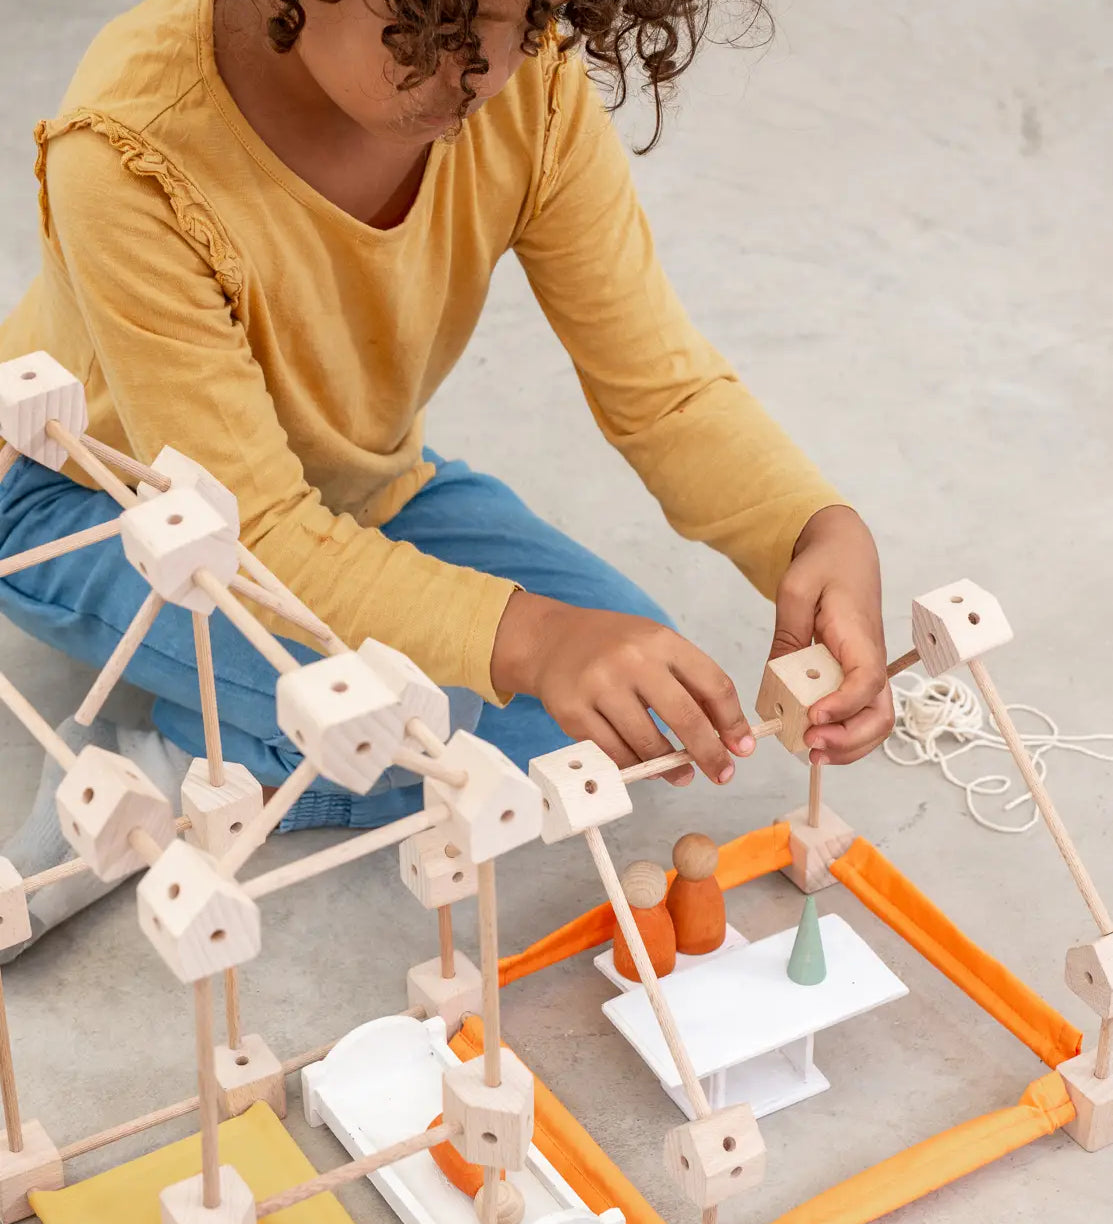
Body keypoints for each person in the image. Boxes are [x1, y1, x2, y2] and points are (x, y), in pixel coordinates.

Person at [0, 0, 893, 959]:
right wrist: (534, 638)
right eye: (434, 28)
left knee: (629, 713)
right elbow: (249, 526)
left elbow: (659, 389)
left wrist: (814, 530)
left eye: (523, 18)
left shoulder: (527, 86)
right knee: (446, 709)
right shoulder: (133, 148)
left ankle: (274, 733)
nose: (486, 70)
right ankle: (169, 775)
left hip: (362, 492)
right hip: (91, 509)